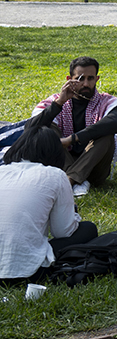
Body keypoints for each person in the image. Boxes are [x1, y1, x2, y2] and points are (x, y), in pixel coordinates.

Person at [0, 120, 98, 283]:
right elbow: (63, 232)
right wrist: (73, 213)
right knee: (88, 229)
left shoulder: (2, 171)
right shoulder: (55, 175)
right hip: (25, 271)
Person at [31, 56, 117, 197]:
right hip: (60, 164)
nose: (85, 84)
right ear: (69, 79)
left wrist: (72, 139)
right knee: (46, 128)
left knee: (106, 133)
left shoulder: (108, 101)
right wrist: (59, 103)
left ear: (97, 79)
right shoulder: (54, 100)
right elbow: (31, 128)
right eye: (80, 78)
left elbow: (115, 121)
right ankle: (78, 179)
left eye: (90, 78)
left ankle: (70, 180)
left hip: (95, 169)